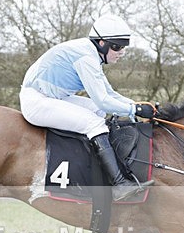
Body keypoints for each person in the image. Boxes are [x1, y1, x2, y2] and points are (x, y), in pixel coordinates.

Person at [20, 14, 155, 201]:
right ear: (101, 43)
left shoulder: (90, 53)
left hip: (51, 96)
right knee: (94, 123)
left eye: (123, 46)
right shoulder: (85, 57)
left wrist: (136, 106)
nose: (121, 52)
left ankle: (94, 167)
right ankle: (119, 184)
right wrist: (134, 110)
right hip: (36, 101)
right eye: (117, 46)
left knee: (97, 112)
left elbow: (110, 94)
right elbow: (102, 99)